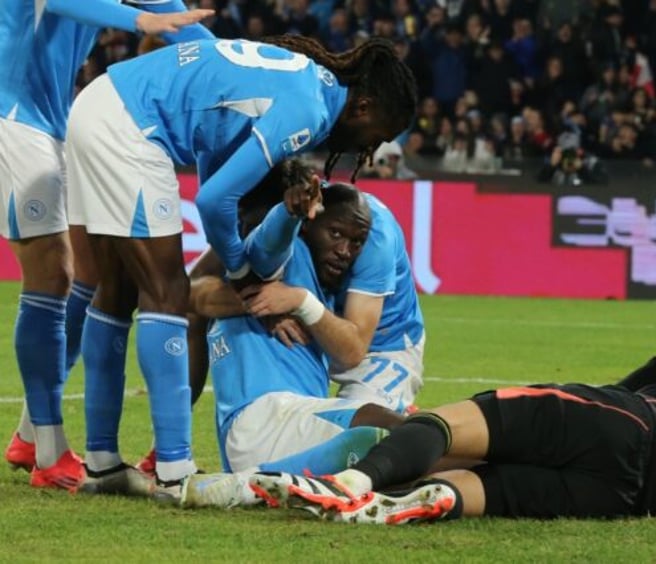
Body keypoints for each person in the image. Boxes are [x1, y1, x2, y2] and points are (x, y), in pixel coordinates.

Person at [65, 35, 417, 497]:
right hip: (131, 127)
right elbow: (213, 200)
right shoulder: (311, 109)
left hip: (102, 102)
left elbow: (217, 162)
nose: (368, 150)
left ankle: (102, 462)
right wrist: (242, 275)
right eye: (379, 136)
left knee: (116, 291)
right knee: (169, 293)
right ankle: (174, 472)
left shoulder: (303, 77)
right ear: (363, 107)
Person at [190, 329, 656, 523]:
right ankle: (405, 503)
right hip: (621, 498)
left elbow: (626, 391)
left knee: (449, 428)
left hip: (625, 427)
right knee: (491, 488)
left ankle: (358, 481)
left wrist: (563, 413)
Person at [0, 0, 214, 491]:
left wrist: (250, 72)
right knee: (52, 273)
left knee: (93, 274)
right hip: (10, 114)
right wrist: (139, 21)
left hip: (58, 119)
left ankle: (32, 431)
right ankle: (50, 453)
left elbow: (179, 22)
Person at [194, 179, 406, 478]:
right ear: (308, 225)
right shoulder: (285, 257)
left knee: (407, 442)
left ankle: (263, 479)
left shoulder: (320, 289)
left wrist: (299, 301)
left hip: (285, 426)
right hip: (264, 418)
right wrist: (288, 212)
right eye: (335, 234)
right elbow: (271, 240)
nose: (345, 251)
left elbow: (351, 351)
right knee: (395, 430)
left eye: (356, 243)